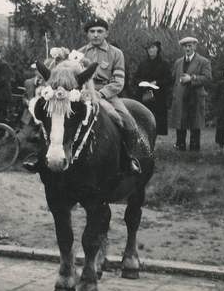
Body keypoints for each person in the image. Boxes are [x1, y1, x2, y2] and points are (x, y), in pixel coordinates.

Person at [24, 17, 143, 176]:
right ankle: (39, 157)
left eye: (100, 31)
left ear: (106, 33)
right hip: (80, 95)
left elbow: (118, 81)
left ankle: (129, 160)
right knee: (53, 117)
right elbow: (69, 77)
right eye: (92, 32)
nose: (95, 35)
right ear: (88, 34)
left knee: (128, 122)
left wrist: (101, 93)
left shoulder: (116, 53)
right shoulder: (79, 53)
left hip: (107, 95)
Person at [169, 36, 212, 152]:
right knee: (180, 122)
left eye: (190, 46)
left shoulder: (204, 61)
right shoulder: (178, 62)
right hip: (181, 97)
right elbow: (173, 78)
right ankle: (180, 147)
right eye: (185, 46)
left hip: (195, 96)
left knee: (195, 124)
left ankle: (194, 150)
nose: (187, 48)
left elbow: (207, 78)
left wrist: (192, 79)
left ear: (195, 46)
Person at [133, 40, 172, 135]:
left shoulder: (164, 64)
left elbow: (169, 80)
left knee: (157, 120)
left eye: (152, 48)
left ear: (157, 49)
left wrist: (157, 82)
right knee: (144, 117)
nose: (150, 50)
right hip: (144, 95)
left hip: (158, 96)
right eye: (148, 48)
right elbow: (135, 78)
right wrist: (142, 82)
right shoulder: (143, 64)